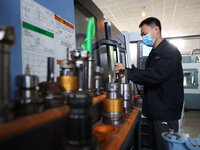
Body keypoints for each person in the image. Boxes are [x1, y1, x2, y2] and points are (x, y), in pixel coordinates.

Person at [115, 17, 184, 150]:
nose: (143, 37)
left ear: (156, 29)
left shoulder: (170, 52)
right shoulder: (154, 53)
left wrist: (128, 72)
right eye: (141, 35)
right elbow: (147, 76)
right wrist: (129, 73)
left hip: (165, 111)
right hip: (154, 110)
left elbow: (156, 75)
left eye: (144, 34)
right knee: (155, 146)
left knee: (163, 147)